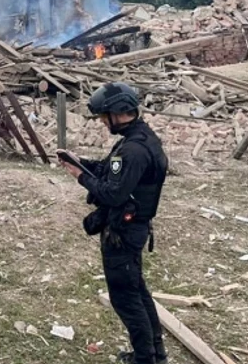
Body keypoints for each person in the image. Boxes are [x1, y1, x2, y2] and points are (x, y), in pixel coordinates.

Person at [58, 82, 169, 364]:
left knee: (126, 299)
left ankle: (145, 359)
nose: (102, 122)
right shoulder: (139, 139)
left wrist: (79, 176)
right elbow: (109, 172)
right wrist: (80, 162)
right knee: (136, 291)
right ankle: (153, 354)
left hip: (123, 232)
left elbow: (112, 193)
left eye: (104, 116)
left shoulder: (133, 150)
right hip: (131, 229)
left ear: (117, 113)